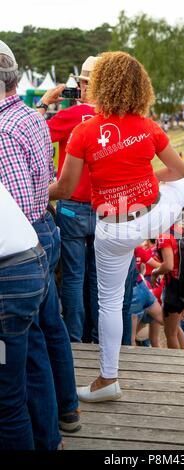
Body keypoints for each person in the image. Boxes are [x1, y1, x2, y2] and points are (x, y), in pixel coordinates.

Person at [48, 51, 184, 403]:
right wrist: (142, 181)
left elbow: (65, 189)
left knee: (109, 305)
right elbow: (179, 172)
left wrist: (34, 192)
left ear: (99, 85)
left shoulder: (83, 131)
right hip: (150, 216)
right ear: (140, 87)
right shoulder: (148, 127)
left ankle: (108, 379)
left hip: (112, 227)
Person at [0, 41, 79, 433]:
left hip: (23, 241)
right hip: (43, 229)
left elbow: (11, 203)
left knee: (30, 345)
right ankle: (66, 411)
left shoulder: (3, 129)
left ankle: (48, 431)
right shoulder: (27, 117)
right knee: (49, 328)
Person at [37, 57, 99, 343]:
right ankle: (99, 338)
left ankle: (75, 338)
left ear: (86, 85)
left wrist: (44, 102)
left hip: (73, 204)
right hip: (106, 207)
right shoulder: (116, 116)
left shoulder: (73, 116)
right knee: (100, 280)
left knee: (73, 277)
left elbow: (34, 132)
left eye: (81, 84)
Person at [0, 182, 61, 450]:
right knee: (28, 356)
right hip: (31, 263)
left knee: (6, 397)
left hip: (10, 278)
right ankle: (49, 441)